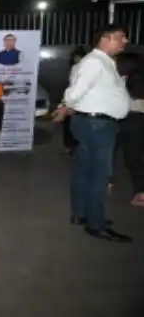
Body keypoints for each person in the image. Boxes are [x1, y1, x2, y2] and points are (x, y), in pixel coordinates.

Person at [52, 25, 132, 242]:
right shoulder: (95, 62)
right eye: (121, 38)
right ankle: (95, 224)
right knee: (99, 175)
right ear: (105, 39)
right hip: (97, 125)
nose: (125, 41)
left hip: (93, 123)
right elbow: (75, 91)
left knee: (84, 171)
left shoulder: (101, 61)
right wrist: (65, 105)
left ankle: (81, 214)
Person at [116, 51, 144, 208]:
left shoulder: (127, 80)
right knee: (134, 158)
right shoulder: (138, 79)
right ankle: (141, 193)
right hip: (138, 121)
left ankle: (107, 182)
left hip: (127, 119)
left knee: (112, 152)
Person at [62, 46, 87, 154]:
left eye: (79, 57)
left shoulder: (87, 69)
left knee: (77, 126)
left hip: (81, 102)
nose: (77, 59)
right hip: (72, 100)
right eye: (75, 57)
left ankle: (77, 146)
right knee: (68, 125)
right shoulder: (74, 68)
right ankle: (70, 146)